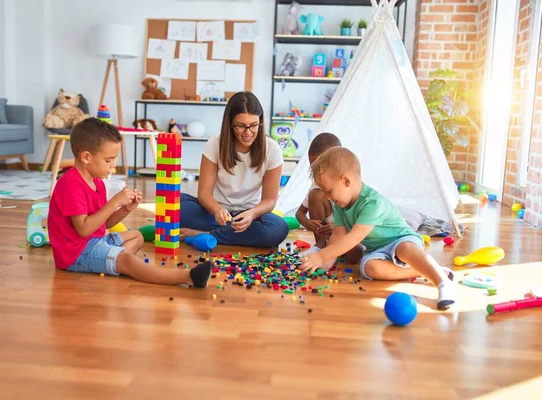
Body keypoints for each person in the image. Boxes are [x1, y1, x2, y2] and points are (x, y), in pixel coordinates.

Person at [48, 118, 211, 287]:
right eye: (108, 160)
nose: (112, 166)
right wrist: (114, 202)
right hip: (75, 254)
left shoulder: (97, 182)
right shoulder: (71, 184)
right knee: (127, 260)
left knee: (137, 236)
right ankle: (186, 277)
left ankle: (113, 261)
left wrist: (125, 209)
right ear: (86, 157)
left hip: (94, 241)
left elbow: (103, 225)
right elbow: (84, 229)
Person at [300, 147, 456, 310]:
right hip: (379, 251)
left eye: (329, 191)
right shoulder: (341, 205)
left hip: (401, 239)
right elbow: (338, 236)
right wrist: (325, 263)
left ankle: (442, 282)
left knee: (404, 249)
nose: (328, 197)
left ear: (346, 181)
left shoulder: (373, 203)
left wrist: (321, 255)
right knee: (368, 268)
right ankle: (423, 271)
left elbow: (354, 238)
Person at [180, 91, 289, 247]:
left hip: (250, 216)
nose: (248, 133)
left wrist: (252, 214)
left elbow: (269, 201)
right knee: (176, 204)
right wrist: (217, 210)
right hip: (215, 213)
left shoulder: (272, 149)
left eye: (254, 126)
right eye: (241, 126)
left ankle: (208, 235)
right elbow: (204, 194)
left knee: (278, 228)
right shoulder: (214, 144)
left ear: (260, 122)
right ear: (230, 124)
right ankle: (232, 234)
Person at [295, 132, 364, 266]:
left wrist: (339, 230)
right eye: (312, 169)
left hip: (347, 237)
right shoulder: (317, 185)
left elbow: (357, 230)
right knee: (316, 194)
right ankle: (320, 245)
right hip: (330, 237)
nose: (316, 174)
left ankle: (332, 251)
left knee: (356, 255)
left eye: (319, 168)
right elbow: (300, 213)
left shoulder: (350, 187)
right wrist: (309, 223)